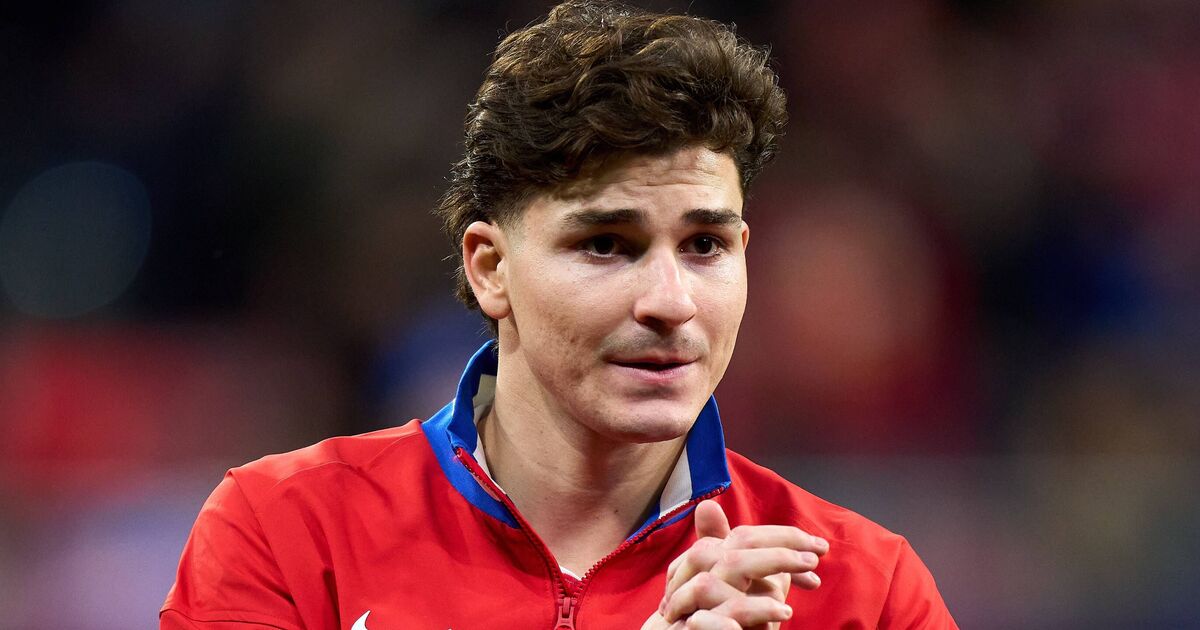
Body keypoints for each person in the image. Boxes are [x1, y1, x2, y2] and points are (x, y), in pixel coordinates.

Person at [161, 1, 958, 628]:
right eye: (607, 244)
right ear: (491, 269)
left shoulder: (862, 592)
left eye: (706, 245)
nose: (671, 302)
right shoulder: (287, 534)